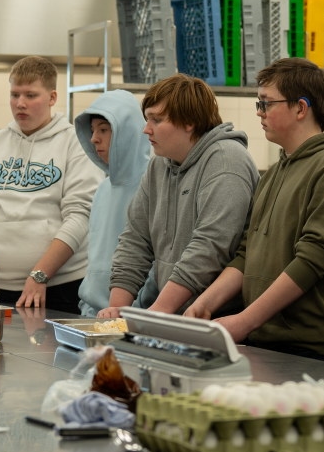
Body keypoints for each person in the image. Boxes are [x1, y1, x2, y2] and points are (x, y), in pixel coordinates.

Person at [184, 58, 324, 365]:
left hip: (316, 346)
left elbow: (314, 259)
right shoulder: (274, 173)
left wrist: (245, 321)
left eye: (266, 103)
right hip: (267, 338)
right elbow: (246, 254)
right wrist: (203, 303)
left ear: (301, 108)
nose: (259, 112)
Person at [100, 74, 259, 318]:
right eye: (147, 119)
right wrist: (117, 311)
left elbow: (209, 247)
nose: (146, 129)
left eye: (157, 120)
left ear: (189, 122)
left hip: (216, 319)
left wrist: (160, 310)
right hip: (172, 315)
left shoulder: (227, 161)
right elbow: (135, 240)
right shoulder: (159, 165)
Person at [0, 56, 102, 315]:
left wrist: (40, 274)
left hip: (58, 288)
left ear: (52, 97)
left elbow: (79, 216)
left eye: (31, 95)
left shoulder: (74, 143)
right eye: (15, 95)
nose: (20, 103)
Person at [73, 90, 152, 316]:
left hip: (134, 316)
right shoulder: (103, 189)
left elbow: (156, 264)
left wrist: (132, 311)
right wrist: (87, 308)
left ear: (127, 132)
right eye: (92, 130)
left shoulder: (153, 184)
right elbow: (94, 264)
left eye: (103, 130)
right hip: (93, 315)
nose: (94, 139)